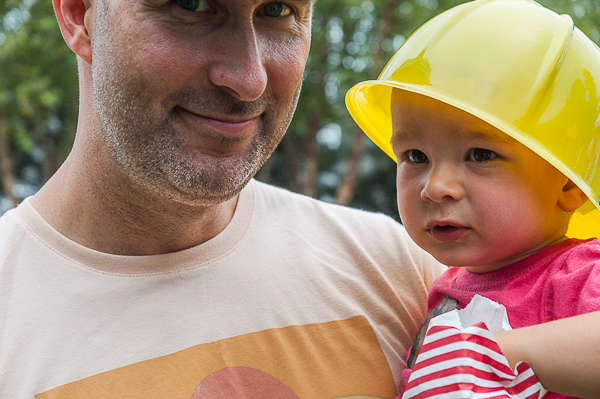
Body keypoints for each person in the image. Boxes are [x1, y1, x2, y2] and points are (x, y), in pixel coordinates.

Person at [0, 0, 448, 398]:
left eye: (277, 10)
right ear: (79, 15)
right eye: (192, 6)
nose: (249, 80)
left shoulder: (405, 275)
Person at [346, 0, 600, 398]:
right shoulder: (445, 288)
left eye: (480, 155)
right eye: (415, 157)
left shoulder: (578, 272)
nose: (435, 186)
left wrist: (500, 353)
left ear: (569, 185)